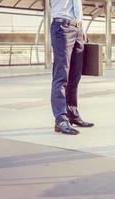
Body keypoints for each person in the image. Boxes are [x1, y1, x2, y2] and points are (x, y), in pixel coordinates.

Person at [50, 0, 94, 135]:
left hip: (78, 29)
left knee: (75, 76)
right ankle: (60, 118)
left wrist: (82, 28)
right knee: (61, 75)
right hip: (62, 27)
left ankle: (72, 114)